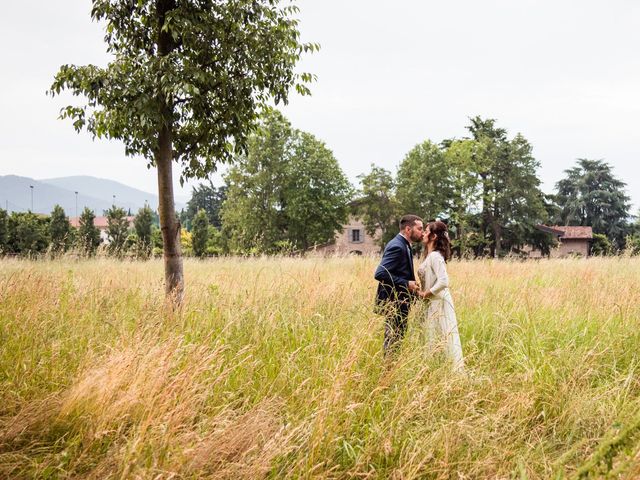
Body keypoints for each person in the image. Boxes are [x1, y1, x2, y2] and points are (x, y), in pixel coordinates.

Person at [417, 221, 464, 371]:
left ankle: (449, 372)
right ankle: (436, 370)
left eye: (426, 231)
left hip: (439, 302)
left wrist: (425, 293)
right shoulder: (430, 256)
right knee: (433, 338)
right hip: (432, 303)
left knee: (444, 337)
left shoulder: (436, 256)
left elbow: (444, 281)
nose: (423, 233)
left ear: (434, 236)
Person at [374, 214, 424, 356]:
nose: (422, 232)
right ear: (408, 229)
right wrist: (406, 283)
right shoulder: (397, 246)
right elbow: (380, 274)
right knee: (392, 342)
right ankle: (387, 372)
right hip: (394, 302)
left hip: (400, 302)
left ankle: (390, 370)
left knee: (397, 340)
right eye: (419, 229)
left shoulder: (404, 245)